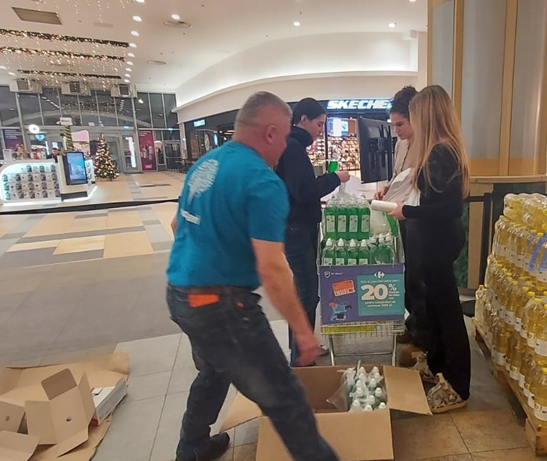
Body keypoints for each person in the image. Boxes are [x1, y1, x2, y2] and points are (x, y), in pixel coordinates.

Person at [166, 92, 338, 461]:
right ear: (271, 133)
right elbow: (271, 268)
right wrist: (303, 331)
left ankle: (192, 447)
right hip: (222, 306)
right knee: (285, 397)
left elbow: (177, 225)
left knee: (215, 370)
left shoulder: (206, 165)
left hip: (179, 294)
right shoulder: (261, 180)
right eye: (286, 136)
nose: (287, 146)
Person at [390, 85, 471, 413]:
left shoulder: (441, 152)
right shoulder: (440, 149)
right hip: (435, 240)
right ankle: (438, 367)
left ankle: (458, 385)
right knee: (436, 310)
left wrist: (407, 211)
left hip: (438, 241)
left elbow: (449, 208)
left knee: (447, 313)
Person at [274, 97, 350, 367]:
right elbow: (304, 191)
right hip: (297, 228)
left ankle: (300, 347)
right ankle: (301, 358)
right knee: (308, 292)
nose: (321, 130)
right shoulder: (293, 147)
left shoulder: (292, 146)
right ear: (303, 119)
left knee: (303, 289)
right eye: (319, 124)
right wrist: (334, 179)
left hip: (295, 225)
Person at [373, 87, 429, 367]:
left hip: (418, 217)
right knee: (404, 272)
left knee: (418, 277)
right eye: (393, 124)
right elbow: (398, 176)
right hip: (400, 214)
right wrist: (387, 189)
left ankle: (422, 337)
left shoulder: (428, 145)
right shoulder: (400, 145)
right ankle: (413, 322)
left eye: (400, 124)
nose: (396, 130)